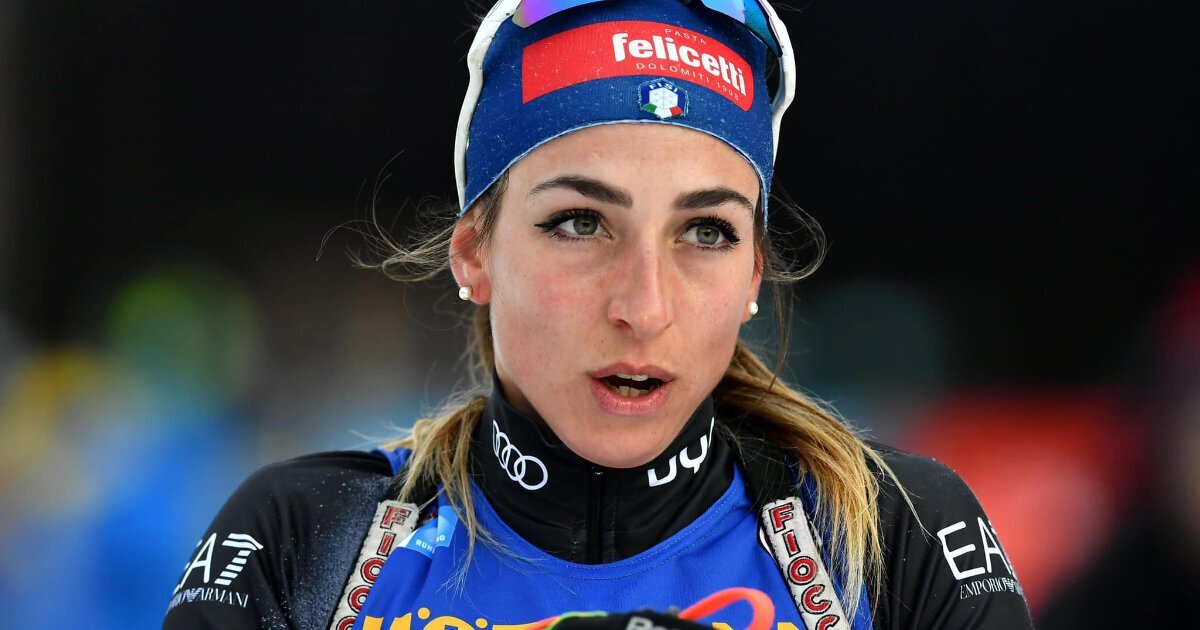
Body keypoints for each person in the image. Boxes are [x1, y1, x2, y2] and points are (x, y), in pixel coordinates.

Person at [163, 1, 1034, 629]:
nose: (644, 307)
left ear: (753, 274)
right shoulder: (308, 536)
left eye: (705, 231)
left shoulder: (897, 534)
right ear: (473, 253)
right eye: (580, 224)